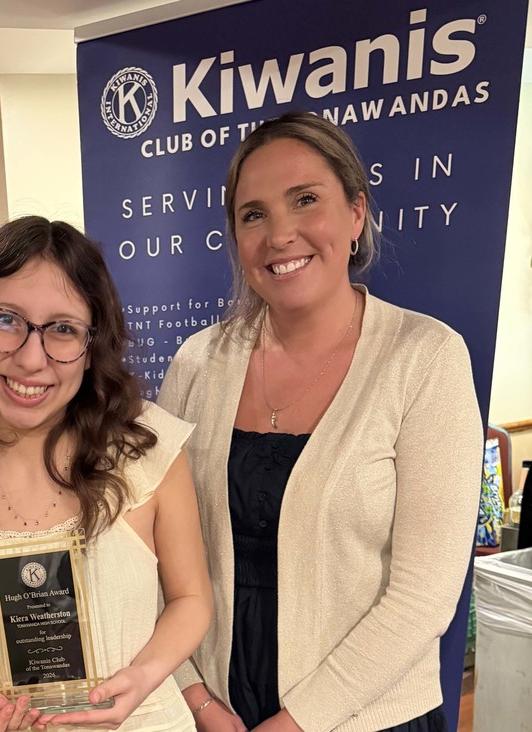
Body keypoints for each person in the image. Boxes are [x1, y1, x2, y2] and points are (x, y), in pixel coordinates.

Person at [158, 112, 484, 732]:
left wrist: (298, 722)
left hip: (367, 717)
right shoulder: (197, 364)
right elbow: (154, 551)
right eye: (253, 214)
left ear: (356, 213)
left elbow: (423, 597)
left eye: (305, 200)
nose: (280, 234)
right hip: (213, 715)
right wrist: (194, 696)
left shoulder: (425, 358)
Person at [0, 216, 214, 732]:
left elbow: (191, 600)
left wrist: (142, 678)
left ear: (92, 348)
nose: (30, 359)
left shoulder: (144, 451)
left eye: (63, 329)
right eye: (5, 320)